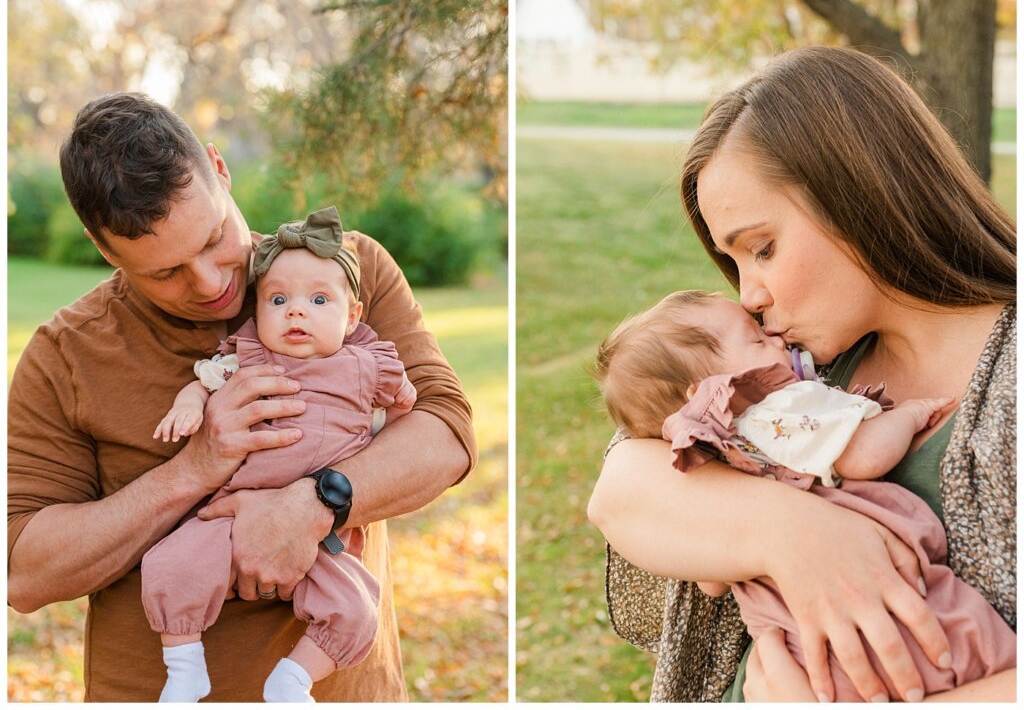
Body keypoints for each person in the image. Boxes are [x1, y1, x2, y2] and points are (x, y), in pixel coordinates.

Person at [7, 92, 476, 701]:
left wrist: (313, 504)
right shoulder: (64, 355)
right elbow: (24, 571)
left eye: (213, 238)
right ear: (105, 250)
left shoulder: (344, 275)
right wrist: (195, 469)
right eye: (164, 272)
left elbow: (446, 432)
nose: (209, 284)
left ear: (219, 170)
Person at [587, 46, 1015, 703]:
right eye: (734, 263)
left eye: (763, 248)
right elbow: (618, 489)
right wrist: (789, 532)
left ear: (864, 194)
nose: (748, 296)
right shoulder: (800, 368)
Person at [594, 290, 1016, 701]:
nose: (773, 336)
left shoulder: (705, 453)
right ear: (711, 390)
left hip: (791, 648)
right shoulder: (778, 409)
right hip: (888, 622)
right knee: (965, 637)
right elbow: (862, 457)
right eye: (758, 341)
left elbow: (711, 583)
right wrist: (909, 413)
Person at [144, 206, 417, 702]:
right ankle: (184, 666)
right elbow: (200, 386)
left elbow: (413, 415)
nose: (296, 311)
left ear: (351, 316)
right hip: (230, 514)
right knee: (171, 564)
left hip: (325, 533)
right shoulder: (245, 358)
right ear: (258, 311)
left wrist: (387, 422)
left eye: (318, 300)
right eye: (277, 299)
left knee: (356, 605)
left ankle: (294, 678)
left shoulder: (365, 363)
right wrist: (188, 407)